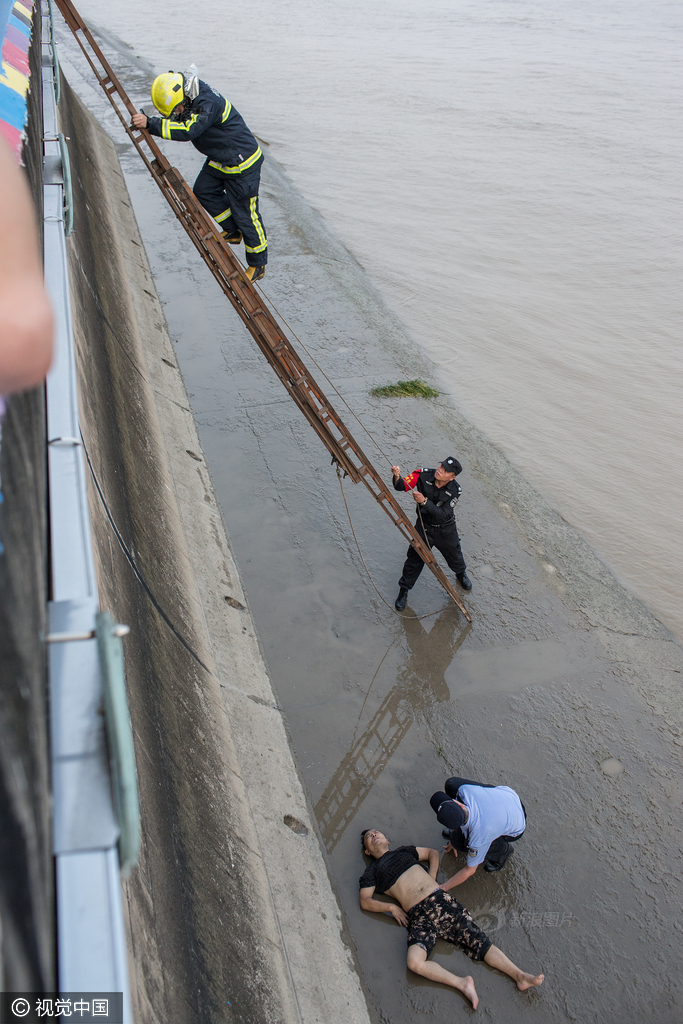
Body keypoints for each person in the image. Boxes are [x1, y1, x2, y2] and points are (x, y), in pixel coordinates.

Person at [359, 829, 543, 1010]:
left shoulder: (404, 851)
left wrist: (432, 877)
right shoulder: (372, 872)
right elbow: (365, 901)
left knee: (480, 941)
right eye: (369, 836)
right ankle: (462, 983)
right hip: (418, 916)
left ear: (387, 840)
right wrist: (391, 907)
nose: (374, 835)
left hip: (440, 901)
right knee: (414, 962)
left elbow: (432, 853)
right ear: (367, 851)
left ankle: (520, 976)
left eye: (377, 832)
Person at [132, 68, 267, 282]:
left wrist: (151, 124)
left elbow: (188, 130)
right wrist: (155, 121)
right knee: (204, 191)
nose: (177, 112)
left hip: (242, 163)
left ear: (183, 96)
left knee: (246, 214)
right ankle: (233, 231)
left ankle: (257, 264)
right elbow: (180, 121)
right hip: (222, 156)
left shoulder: (207, 102)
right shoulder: (189, 94)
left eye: (177, 108)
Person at [391, 456, 471, 611]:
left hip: (446, 529)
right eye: (441, 467)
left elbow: (443, 514)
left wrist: (424, 502)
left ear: (452, 477)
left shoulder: (456, 490)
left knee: (454, 553)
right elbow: (401, 486)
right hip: (424, 527)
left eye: (445, 471)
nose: (440, 471)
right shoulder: (422, 475)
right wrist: (396, 475)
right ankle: (403, 591)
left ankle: (461, 574)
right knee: (414, 559)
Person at [431, 776, 526, 885]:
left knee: (458, 841)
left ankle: (503, 851)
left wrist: (441, 888)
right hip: (508, 796)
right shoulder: (464, 791)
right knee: (451, 783)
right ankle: (455, 824)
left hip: (517, 825)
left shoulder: (479, 835)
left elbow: (469, 870)